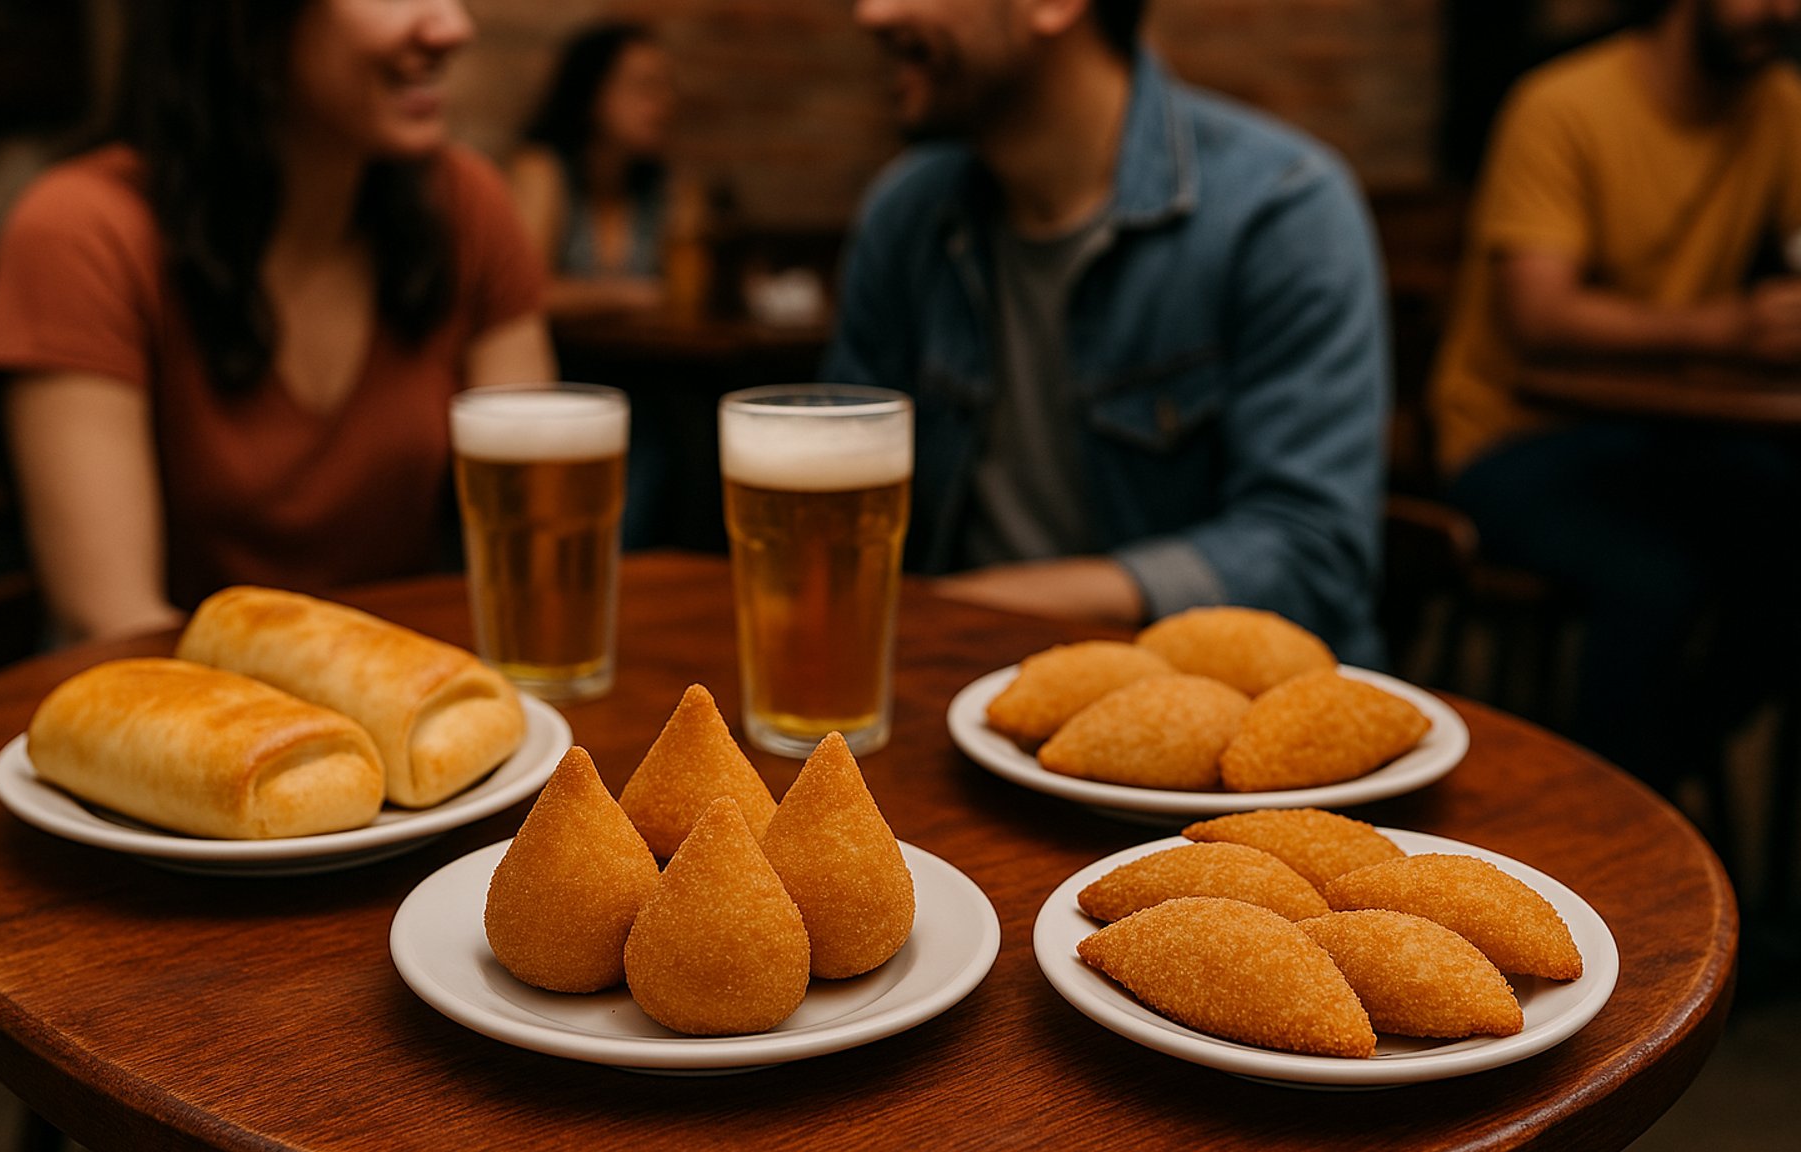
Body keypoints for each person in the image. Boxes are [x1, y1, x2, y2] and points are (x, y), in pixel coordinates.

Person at [825, 0, 1389, 664]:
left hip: (1213, 711)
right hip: (948, 685)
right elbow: (838, 501)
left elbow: (1310, 554)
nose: (871, 13)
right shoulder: (908, 213)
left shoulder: (1281, 211)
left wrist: (972, 607)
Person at [0, 0, 556, 644]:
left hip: (408, 702)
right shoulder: (83, 229)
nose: (452, 28)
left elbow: (538, 562)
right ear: (247, 21)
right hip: (188, 710)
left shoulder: (466, 205)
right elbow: (113, 618)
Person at [1428, 0, 1801, 788]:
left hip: (1663, 434)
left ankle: (1658, 773)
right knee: (1653, 580)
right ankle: (1619, 812)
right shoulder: (1562, 104)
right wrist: (1727, 331)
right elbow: (1541, 315)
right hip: (1511, 436)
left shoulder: (1780, 107)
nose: (1781, 8)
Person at [509, 22, 707, 317]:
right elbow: (518, 294)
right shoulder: (542, 171)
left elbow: (688, 290)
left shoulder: (660, 187)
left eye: (667, 88)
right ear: (593, 93)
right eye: (646, 87)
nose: (665, 104)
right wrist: (623, 296)